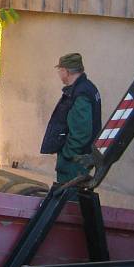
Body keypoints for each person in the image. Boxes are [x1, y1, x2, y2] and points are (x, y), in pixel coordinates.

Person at [40, 53, 102, 183]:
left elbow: (81, 133)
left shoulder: (81, 93)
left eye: (59, 70)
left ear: (65, 71)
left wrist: (67, 155)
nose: (59, 74)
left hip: (74, 162)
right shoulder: (86, 88)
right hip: (80, 158)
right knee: (72, 199)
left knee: (68, 199)